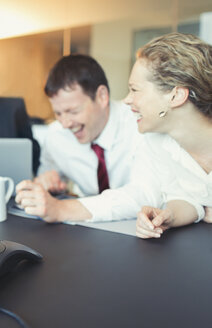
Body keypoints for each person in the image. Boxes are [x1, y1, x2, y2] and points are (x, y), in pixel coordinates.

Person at [15, 33, 212, 238]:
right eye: (58, 113)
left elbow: (144, 194)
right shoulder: (159, 140)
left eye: (135, 90)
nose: (127, 100)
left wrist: (62, 209)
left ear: (176, 95)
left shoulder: (144, 128)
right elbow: (183, 197)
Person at [35, 54, 140, 196]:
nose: (65, 124)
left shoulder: (139, 125)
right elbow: (46, 182)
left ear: (102, 96)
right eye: (58, 114)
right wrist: (47, 183)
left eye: (73, 111)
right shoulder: (55, 137)